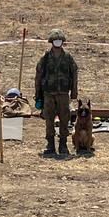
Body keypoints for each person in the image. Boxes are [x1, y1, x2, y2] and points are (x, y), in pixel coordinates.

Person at [34, 29, 78, 157]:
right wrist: (37, 95)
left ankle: (63, 144)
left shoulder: (68, 57)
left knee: (65, 119)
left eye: (59, 40)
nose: (57, 42)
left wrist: (74, 92)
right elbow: (38, 76)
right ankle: (50, 144)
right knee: (49, 120)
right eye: (55, 40)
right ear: (51, 42)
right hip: (48, 94)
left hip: (64, 93)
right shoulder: (45, 58)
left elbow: (74, 74)